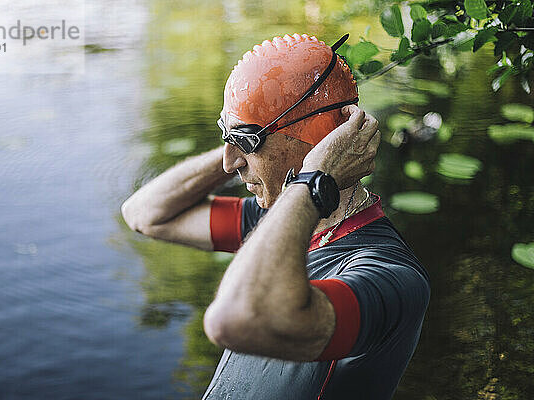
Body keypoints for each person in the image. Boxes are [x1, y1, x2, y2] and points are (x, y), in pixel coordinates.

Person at [121, 33, 430, 400]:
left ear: (320, 143)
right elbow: (144, 214)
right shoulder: (272, 218)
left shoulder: (388, 276)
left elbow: (233, 319)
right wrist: (245, 138)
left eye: (248, 142)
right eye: (226, 137)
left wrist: (316, 179)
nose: (228, 162)